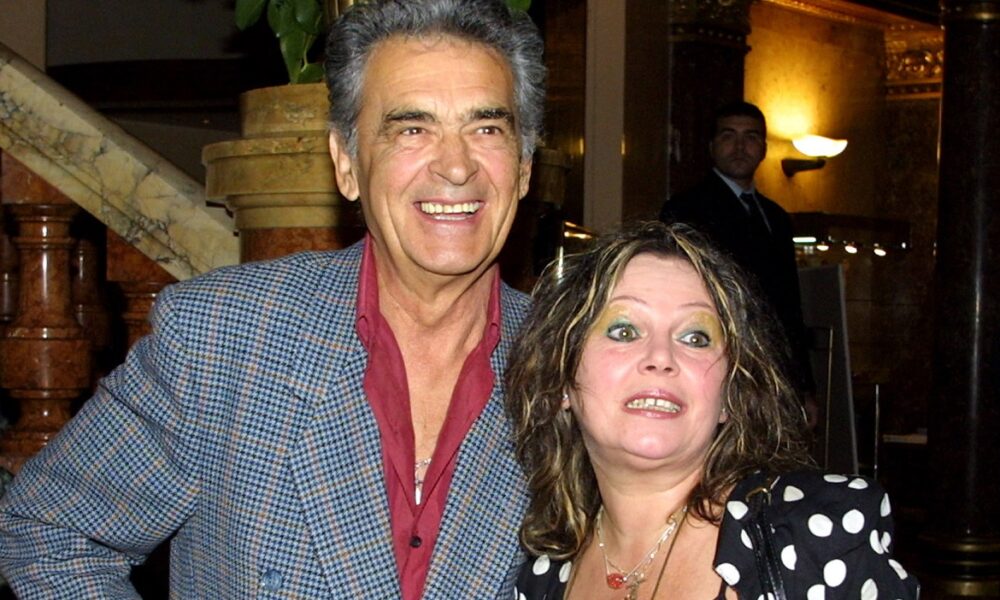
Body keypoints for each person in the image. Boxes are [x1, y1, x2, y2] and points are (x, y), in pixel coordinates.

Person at [0, 0, 545, 597]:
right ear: (346, 164)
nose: (456, 166)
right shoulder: (222, 337)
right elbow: (49, 532)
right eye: (411, 129)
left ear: (522, 167)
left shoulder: (577, 369)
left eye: (487, 129)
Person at [505, 221, 919, 599]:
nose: (661, 357)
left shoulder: (817, 539)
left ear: (728, 396)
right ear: (561, 380)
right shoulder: (540, 576)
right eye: (624, 330)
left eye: (695, 338)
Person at [660, 102, 813, 396]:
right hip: (716, 361)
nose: (740, 147)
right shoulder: (686, 209)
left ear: (764, 149)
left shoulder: (776, 217)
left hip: (773, 369)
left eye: (751, 137)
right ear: (712, 146)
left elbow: (790, 304)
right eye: (728, 136)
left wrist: (804, 386)